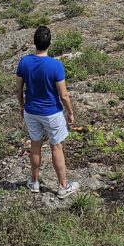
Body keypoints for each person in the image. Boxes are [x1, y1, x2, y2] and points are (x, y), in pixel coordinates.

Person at [15, 25, 79, 198]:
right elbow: (63, 95)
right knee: (56, 147)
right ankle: (62, 186)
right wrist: (70, 112)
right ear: (49, 43)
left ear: (34, 42)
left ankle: (34, 182)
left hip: (31, 110)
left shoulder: (24, 62)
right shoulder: (55, 65)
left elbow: (18, 89)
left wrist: (22, 106)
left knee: (35, 145)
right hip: (52, 113)